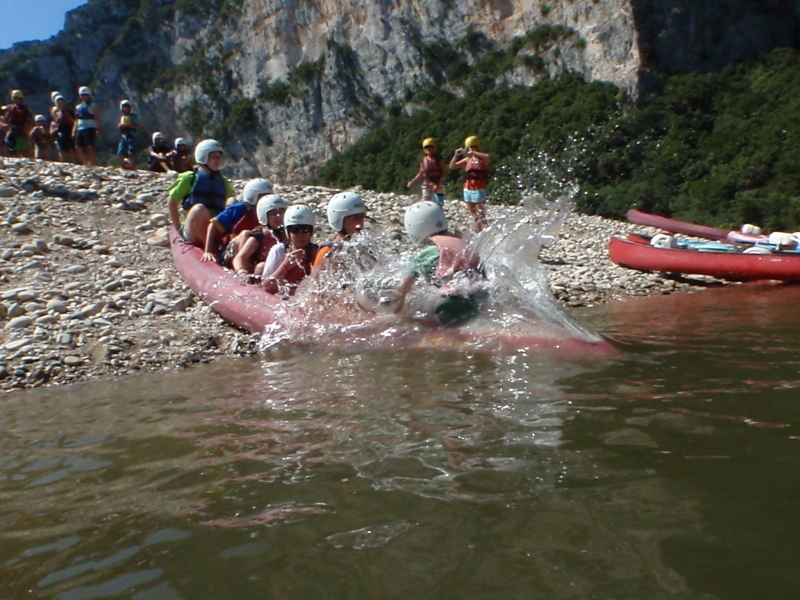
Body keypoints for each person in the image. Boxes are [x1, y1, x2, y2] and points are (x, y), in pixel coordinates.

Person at [393, 200, 484, 325]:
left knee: (423, 316)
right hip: (481, 300)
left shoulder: (426, 253)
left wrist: (394, 313)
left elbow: (403, 287)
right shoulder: (461, 242)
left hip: (452, 307)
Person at [167, 139, 234, 246]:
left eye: (219, 157)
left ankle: (223, 244)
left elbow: (230, 205)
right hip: (193, 229)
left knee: (234, 203)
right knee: (199, 209)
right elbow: (172, 202)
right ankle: (212, 247)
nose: (218, 160)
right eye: (214, 156)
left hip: (214, 227)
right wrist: (178, 228)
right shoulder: (189, 178)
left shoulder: (223, 181)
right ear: (203, 157)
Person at [199, 177, 269, 263]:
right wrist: (208, 251)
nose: (267, 200)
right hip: (229, 251)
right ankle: (242, 266)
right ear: (253, 196)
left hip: (253, 252)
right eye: (264, 196)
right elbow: (213, 225)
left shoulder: (268, 214)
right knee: (245, 234)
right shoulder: (239, 208)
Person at [226, 191, 288, 279]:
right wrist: (242, 273)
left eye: (281, 213)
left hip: (280, 271)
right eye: (273, 214)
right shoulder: (258, 236)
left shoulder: (290, 233)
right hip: (258, 273)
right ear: (264, 216)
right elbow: (239, 258)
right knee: (261, 266)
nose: (279, 216)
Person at [263, 204, 319, 295]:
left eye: (306, 229)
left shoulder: (318, 252)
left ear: (311, 231)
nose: (301, 235)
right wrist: (285, 266)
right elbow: (265, 287)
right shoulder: (279, 250)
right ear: (288, 232)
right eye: (295, 230)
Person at [312, 191, 368, 270]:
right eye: (354, 218)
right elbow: (314, 277)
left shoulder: (364, 249)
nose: (360, 224)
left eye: (362, 217)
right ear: (339, 219)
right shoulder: (327, 252)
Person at [450, 135, 490, 232]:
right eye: (469, 147)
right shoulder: (467, 160)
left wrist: (474, 153)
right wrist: (456, 155)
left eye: (472, 147)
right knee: (474, 215)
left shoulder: (483, 160)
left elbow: (488, 157)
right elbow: (452, 166)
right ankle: (478, 232)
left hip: (479, 189)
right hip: (468, 189)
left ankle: (485, 232)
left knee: (481, 216)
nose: (470, 149)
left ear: (477, 147)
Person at [407, 137, 447, 205]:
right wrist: (412, 181)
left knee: (439, 202)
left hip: (438, 183)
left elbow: (444, 173)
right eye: (426, 147)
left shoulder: (439, 159)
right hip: (427, 183)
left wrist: (438, 184)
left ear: (434, 148)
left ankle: (439, 211)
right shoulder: (423, 160)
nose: (428, 149)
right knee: (426, 202)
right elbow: (421, 173)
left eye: (430, 146)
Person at [73, 86, 101, 166]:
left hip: (90, 127)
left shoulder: (93, 106)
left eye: (86, 95)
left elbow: (97, 117)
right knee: (78, 146)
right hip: (80, 127)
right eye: (83, 95)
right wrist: (74, 130)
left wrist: (98, 128)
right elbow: (76, 119)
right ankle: (85, 162)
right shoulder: (78, 107)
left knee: (90, 146)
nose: (84, 97)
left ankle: (92, 162)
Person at [4, 90, 34, 158]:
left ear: (21, 99)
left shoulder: (24, 109)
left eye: (18, 98)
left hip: (21, 129)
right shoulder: (11, 108)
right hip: (13, 129)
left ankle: (23, 158)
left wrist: (27, 128)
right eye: (15, 98)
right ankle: (12, 156)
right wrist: (8, 124)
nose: (17, 100)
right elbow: (7, 118)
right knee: (8, 142)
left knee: (21, 146)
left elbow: (30, 119)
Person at [52, 95, 76, 163]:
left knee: (71, 150)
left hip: (69, 132)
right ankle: (63, 164)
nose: (60, 104)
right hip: (61, 133)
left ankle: (72, 163)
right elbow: (56, 123)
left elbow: (75, 122)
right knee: (62, 150)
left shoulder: (70, 112)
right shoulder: (58, 114)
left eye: (61, 102)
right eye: (58, 103)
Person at [117, 100, 139, 170]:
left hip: (131, 136)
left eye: (127, 107)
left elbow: (136, 126)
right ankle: (123, 166)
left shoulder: (133, 117)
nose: (126, 109)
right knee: (120, 152)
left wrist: (127, 126)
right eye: (125, 107)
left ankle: (132, 167)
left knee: (131, 152)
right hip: (123, 136)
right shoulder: (122, 117)